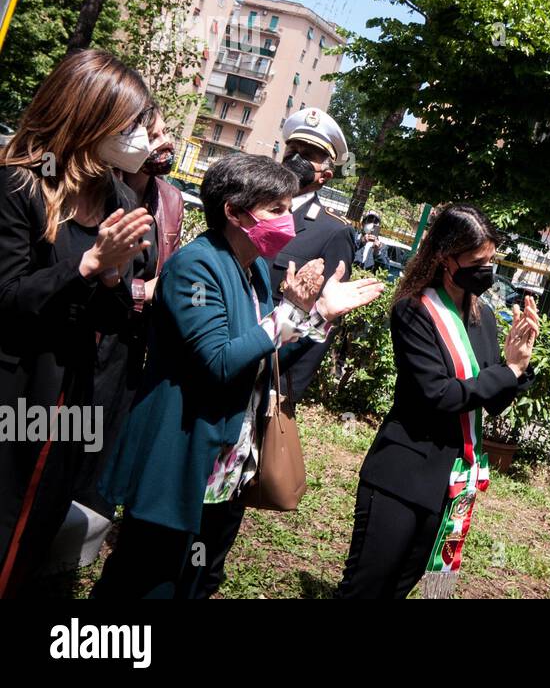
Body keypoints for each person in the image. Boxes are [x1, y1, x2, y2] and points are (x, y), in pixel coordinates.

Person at [93, 154, 384, 598]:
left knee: (197, 578)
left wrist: (318, 316)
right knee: (143, 581)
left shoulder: (256, 274)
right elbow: (220, 360)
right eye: (277, 210)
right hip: (180, 455)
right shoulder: (196, 266)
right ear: (233, 211)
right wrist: (298, 311)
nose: (289, 221)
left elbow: (267, 356)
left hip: (226, 464)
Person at [0, 50, 154, 597]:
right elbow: (10, 297)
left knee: (34, 530)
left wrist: (112, 278)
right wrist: (88, 263)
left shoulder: (117, 198)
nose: (142, 137)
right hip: (16, 386)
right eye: (132, 124)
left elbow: (114, 319)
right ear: (90, 116)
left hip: (73, 396)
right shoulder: (21, 186)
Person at [336, 204, 539, 599]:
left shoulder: (485, 319)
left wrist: (521, 366)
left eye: (492, 260)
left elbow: (491, 401)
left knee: (405, 586)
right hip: (402, 475)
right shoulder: (414, 312)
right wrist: (508, 371)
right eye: (478, 261)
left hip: (453, 482)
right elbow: (440, 395)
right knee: (366, 587)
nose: (487, 269)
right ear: (445, 257)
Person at [46, 104, 187, 573]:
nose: (165, 143)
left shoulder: (170, 200)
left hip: (129, 334)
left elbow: (159, 263)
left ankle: (72, 527)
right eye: (157, 133)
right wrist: (132, 284)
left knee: (99, 434)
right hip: (85, 330)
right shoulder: (93, 191)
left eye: (166, 134)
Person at [269, 107, 355, 406]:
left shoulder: (333, 232)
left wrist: (284, 390)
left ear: (326, 175)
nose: (296, 158)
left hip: (273, 368)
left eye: (308, 155)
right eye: (293, 149)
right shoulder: (255, 210)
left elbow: (324, 318)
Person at [353, 210, 391, 275]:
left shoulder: (382, 247)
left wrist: (377, 253)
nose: (372, 224)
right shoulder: (354, 237)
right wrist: (360, 242)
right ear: (363, 223)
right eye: (369, 221)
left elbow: (385, 270)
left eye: (375, 222)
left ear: (379, 226)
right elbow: (344, 252)